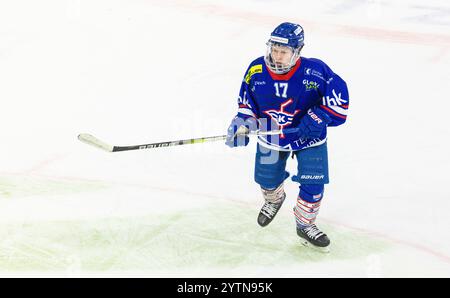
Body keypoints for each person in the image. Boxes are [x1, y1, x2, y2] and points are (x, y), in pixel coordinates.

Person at [225, 22, 349, 252]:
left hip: (308, 138)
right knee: (266, 180)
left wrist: (320, 115)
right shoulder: (256, 69)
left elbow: (340, 103)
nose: (277, 56)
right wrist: (243, 122)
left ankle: (305, 224)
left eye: (283, 51)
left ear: (297, 51)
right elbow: (246, 102)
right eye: (274, 49)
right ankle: (274, 200)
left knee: (314, 182)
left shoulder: (316, 71)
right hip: (270, 135)